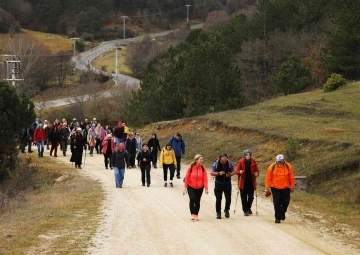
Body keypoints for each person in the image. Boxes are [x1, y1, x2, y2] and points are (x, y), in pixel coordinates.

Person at [265, 154, 295, 223]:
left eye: (281, 161)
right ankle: (277, 218)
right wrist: (267, 187)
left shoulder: (288, 166)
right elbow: (268, 178)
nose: (280, 163)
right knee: (277, 202)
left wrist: (292, 186)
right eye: (278, 161)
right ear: (276, 161)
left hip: (286, 187)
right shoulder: (272, 167)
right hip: (275, 187)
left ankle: (282, 213)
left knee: (286, 202)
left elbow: (291, 177)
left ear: (284, 160)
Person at [183, 154, 209, 221]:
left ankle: (196, 215)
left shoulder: (203, 168)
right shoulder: (191, 167)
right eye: (200, 159)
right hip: (191, 186)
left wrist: (206, 188)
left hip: (200, 187)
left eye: (202, 159)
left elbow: (205, 178)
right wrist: (185, 187)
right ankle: (192, 214)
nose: (201, 161)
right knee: (192, 199)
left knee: (197, 201)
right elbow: (187, 177)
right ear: (196, 160)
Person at [235, 149, 260, 216]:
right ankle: (245, 210)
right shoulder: (241, 162)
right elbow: (236, 172)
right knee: (243, 198)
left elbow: (257, 171)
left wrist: (256, 173)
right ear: (244, 155)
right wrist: (239, 172)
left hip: (251, 182)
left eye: (249, 155)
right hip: (243, 183)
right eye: (246, 155)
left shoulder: (253, 162)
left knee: (251, 197)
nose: (248, 156)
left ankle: (248, 208)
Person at [211, 154, 235, 219]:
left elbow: (233, 171)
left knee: (228, 198)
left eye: (225, 159)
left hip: (227, 183)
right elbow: (212, 172)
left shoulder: (229, 163)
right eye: (222, 159)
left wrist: (229, 174)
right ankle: (218, 212)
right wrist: (218, 173)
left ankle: (227, 210)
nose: (224, 161)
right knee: (218, 199)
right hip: (218, 183)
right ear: (220, 159)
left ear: (227, 158)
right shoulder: (216, 163)